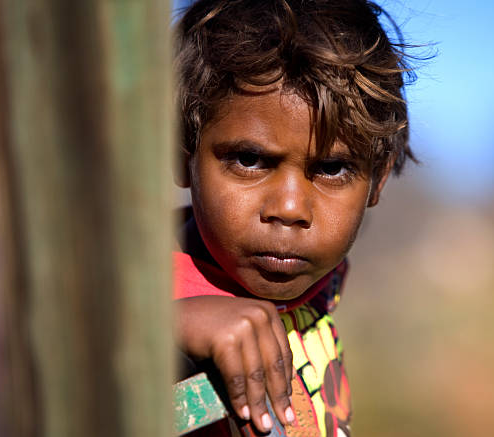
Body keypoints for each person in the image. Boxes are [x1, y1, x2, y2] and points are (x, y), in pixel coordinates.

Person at [173, 0, 417, 435]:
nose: (289, 209)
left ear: (376, 183)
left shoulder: (324, 283)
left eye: (331, 170)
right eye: (249, 159)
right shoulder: (138, 303)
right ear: (182, 154)